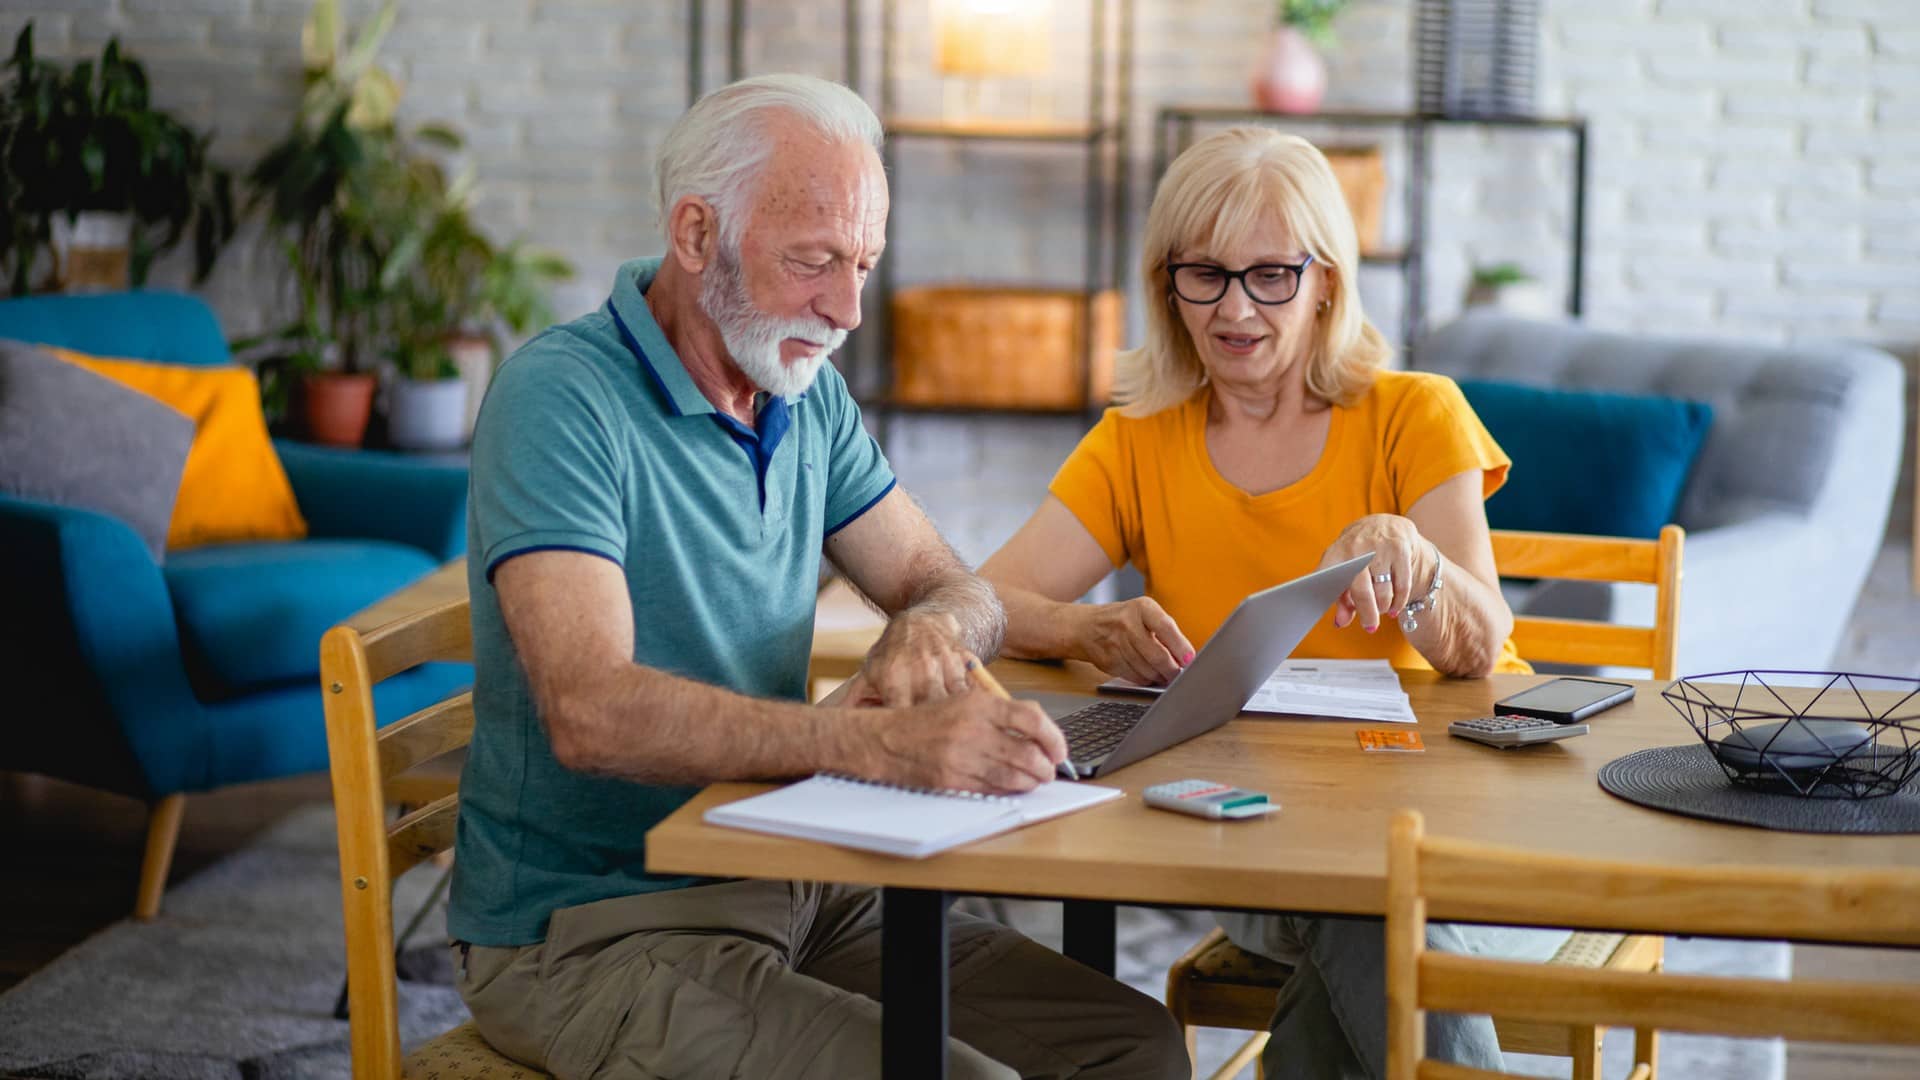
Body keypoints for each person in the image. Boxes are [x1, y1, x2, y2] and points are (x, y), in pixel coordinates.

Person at [448, 74, 1187, 1080]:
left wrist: (933, 627)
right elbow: (590, 711)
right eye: (813, 261)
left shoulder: (804, 395)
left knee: (1133, 1046)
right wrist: (870, 746)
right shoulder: (561, 401)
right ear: (697, 233)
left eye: (864, 264)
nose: (846, 308)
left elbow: (947, 580)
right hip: (595, 928)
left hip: (785, 875)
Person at [978, 127, 1566, 1078]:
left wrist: (1412, 557)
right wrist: (1089, 627)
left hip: (1460, 823)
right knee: (1364, 903)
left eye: (1270, 275)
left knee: (1369, 908)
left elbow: (1477, 648)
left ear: (1325, 281)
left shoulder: (1414, 412)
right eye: (1204, 274)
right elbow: (984, 603)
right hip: (1261, 835)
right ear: (1168, 285)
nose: (1234, 307)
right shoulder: (1137, 442)